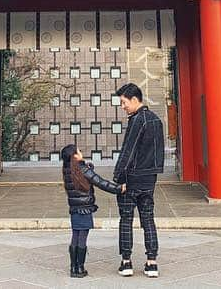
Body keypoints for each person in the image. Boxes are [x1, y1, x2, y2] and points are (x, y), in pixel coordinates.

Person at [113, 83, 165, 278]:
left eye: (124, 102)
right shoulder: (156, 120)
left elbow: (128, 150)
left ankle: (126, 262)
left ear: (134, 100)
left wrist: (118, 177)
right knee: (148, 219)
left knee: (126, 220)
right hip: (149, 180)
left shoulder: (137, 120)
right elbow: (158, 153)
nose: (123, 106)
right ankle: (152, 263)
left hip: (131, 179)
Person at [60, 143, 124, 278]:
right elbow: (101, 182)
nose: (81, 152)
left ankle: (74, 268)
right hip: (85, 209)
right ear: (75, 156)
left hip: (74, 209)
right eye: (79, 151)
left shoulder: (67, 169)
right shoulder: (82, 169)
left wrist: (88, 167)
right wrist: (119, 189)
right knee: (82, 238)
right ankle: (80, 268)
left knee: (75, 236)